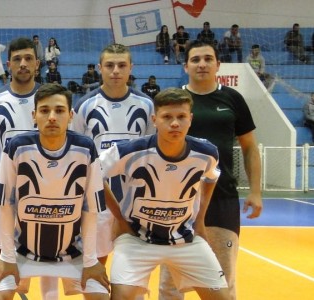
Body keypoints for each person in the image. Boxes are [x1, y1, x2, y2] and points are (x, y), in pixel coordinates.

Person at [100, 88, 230, 300]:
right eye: (167, 117)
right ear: (155, 119)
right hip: (137, 238)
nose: (175, 123)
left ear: (191, 119)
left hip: (185, 239)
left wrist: (200, 221)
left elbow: (211, 177)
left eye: (181, 116)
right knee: (121, 297)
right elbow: (93, 175)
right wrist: (120, 219)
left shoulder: (207, 153)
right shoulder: (129, 151)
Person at [159, 40, 262, 300]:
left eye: (207, 59)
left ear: (218, 64)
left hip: (222, 197)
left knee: (223, 277)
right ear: (185, 66)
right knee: (171, 281)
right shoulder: (173, 101)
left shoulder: (232, 99)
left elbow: (250, 147)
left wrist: (256, 192)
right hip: (176, 199)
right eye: (195, 59)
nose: (202, 64)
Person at [0, 83, 109, 300]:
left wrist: (91, 261)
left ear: (71, 115)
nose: (52, 117)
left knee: (101, 296)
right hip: (22, 251)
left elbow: (91, 210)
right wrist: (7, 257)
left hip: (74, 253)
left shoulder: (86, 148)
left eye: (59, 110)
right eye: (45, 111)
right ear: (34, 115)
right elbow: (6, 204)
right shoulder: (16, 147)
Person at [0, 37, 60, 300]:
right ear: (8, 64)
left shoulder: (52, 99)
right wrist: (3, 164)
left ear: (37, 64)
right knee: (1, 251)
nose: (23, 64)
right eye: (17, 59)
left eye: (28, 59)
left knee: (51, 253)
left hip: (49, 191)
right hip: (6, 194)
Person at [71, 43, 155, 269]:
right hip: (97, 198)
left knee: (134, 261)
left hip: (135, 197)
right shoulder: (85, 106)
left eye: (121, 65)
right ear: (100, 68)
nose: (115, 70)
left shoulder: (147, 105)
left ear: (131, 68)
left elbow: (152, 153)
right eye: (109, 65)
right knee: (97, 261)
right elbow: (76, 154)